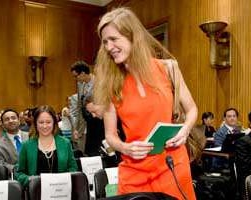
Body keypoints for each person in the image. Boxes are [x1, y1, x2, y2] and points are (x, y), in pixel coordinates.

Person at [93, 8, 197, 199]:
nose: (109, 47)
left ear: (133, 36)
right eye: (105, 42)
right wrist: (125, 147)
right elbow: (110, 135)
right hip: (134, 170)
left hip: (172, 165)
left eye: (114, 39)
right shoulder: (111, 83)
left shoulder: (168, 69)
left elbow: (191, 110)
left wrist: (185, 130)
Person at [15, 105, 78, 187]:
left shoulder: (65, 143)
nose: (44, 126)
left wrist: (63, 179)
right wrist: (30, 180)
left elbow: (73, 168)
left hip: (61, 191)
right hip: (36, 192)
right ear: (35, 124)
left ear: (54, 123)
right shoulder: (26, 145)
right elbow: (19, 173)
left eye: (48, 122)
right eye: (41, 122)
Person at [70, 61, 94, 153]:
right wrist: (76, 128)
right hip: (84, 122)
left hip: (97, 122)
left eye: (76, 76)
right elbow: (79, 107)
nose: (76, 79)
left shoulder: (99, 82)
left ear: (83, 73)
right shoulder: (80, 84)